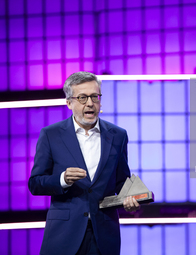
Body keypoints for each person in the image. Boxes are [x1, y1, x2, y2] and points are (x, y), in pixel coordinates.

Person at [28, 71, 140, 255]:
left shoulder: (118, 135)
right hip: (63, 236)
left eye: (94, 97)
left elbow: (121, 183)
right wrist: (62, 179)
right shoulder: (51, 135)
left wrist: (131, 199)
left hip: (104, 235)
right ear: (69, 103)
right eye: (82, 98)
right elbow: (35, 183)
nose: (90, 103)